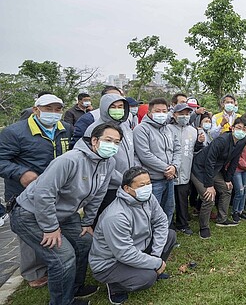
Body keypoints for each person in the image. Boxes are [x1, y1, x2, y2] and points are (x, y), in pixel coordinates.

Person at [10, 122, 122, 305]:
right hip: (29, 214)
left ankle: (74, 288)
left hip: (64, 214)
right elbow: (43, 193)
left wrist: (87, 222)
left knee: (85, 242)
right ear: (94, 140)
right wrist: (50, 227)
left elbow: (98, 194)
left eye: (117, 142)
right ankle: (62, 302)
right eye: (108, 140)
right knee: (63, 257)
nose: (113, 145)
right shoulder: (70, 160)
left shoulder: (108, 163)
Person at [0, 94, 71, 288]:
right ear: (36, 109)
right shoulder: (14, 132)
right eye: (49, 109)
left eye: (58, 109)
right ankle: (33, 273)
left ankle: (51, 263)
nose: (54, 114)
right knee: (29, 231)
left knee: (50, 225)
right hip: (23, 191)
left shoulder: (65, 130)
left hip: (55, 190)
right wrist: (20, 172)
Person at [89, 166, 177, 305]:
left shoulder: (148, 198)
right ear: (126, 188)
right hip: (110, 262)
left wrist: (155, 255)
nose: (147, 188)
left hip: (137, 248)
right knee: (147, 278)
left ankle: (152, 269)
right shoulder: (116, 216)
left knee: (170, 235)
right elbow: (124, 254)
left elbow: (161, 221)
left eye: (148, 183)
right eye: (141, 185)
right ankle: (115, 286)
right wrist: (157, 262)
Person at [191, 117, 246, 238]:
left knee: (227, 189)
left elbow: (234, 160)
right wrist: (209, 185)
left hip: (215, 169)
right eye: (239, 128)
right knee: (209, 196)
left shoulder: (243, 141)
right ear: (232, 128)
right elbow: (209, 161)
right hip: (200, 168)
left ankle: (222, 219)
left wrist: (228, 179)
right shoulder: (221, 140)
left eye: (244, 129)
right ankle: (204, 227)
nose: (241, 131)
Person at [83, 94, 135, 225]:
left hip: (125, 184)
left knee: (120, 220)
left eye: (120, 107)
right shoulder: (95, 129)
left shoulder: (125, 127)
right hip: (107, 186)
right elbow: (97, 163)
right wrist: (123, 180)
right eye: (113, 107)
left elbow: (131, 152)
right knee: (104, 220)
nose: (117, 110)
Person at [133, 98, 181, 224]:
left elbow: (177, 149)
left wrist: (174, 167)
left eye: (164, 111)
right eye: (157, 111)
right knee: (152, 212)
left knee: (169, 209)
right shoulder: (141, 129)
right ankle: (151, 240)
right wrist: (166, 168)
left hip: (170, 178)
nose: (161, 113)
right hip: (153, 180)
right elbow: (145, 155)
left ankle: (165, 237)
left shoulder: (169, 129)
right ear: (149, 112)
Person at [167, 103, 198, 235]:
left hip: (185, 171)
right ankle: (168, 225)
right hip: (169, 172)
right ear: (174, 115)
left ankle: (183, 223)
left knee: (183, 198)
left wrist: (201, 143)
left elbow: (194, 150)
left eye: (187, 114)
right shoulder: (167, 129)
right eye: (181, 114)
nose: (184, 116)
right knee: (168, 202)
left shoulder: (193, 131)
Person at [232, 117, 246, 223]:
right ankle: (235, 211)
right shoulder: (235, 140)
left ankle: (241, 210)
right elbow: (237, 157)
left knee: (245, 189)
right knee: (239, 191)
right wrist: (245, 166)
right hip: (237, 169)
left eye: (245, 128)